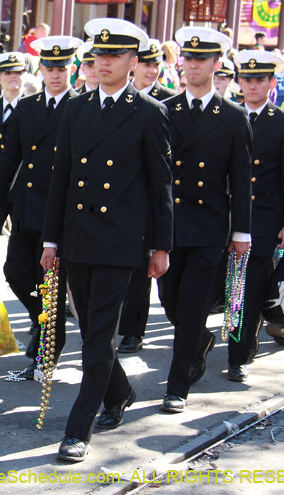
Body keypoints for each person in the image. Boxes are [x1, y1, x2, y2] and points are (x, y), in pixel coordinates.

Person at [40, 18, 173, 462]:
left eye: (114, 56)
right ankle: (118, 393)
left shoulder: (150, 113)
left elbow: (160, 187)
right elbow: (61, 178)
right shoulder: (76, 109)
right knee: (92, 329)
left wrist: (161, 245)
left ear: (133, 62)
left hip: (121, 242)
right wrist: (51, 239)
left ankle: (78, 429)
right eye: (99, 55)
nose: (104, 63)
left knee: (97, 336)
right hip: (78, 237)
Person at [157, 27, 252, 414]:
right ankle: (198, 341)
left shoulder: (232, 117)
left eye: (201, 59)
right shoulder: (166, 109)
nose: (193, 65)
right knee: (170, 303)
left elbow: (242, 179)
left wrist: (241, 231)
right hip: (169, 224)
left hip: (209, 226)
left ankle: (177, 387)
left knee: (193, 306)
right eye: (188, 59)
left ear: (216, 64)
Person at [0, 36, 81, 379]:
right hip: (27, 207)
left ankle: (47, 353)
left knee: (51, 287)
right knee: (15, 273)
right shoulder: (27, 107)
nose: (55, 74)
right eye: (49, 68)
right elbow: (9, 160)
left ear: (70, 69)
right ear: (40, 69)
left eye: (61, 68)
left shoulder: (80, 105)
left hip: (59, 213)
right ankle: (40, 320)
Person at [224, 50, 284, 379]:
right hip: (224, 214)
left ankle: (238, 356)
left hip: (264, 215)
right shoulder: (227, 115)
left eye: (260, 80)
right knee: (223, 286)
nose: (252, 85)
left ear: (272, 83)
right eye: (247, 79)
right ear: (239, 82)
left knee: (248, 286)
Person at [115, 38, 178, 355]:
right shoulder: (119, 101)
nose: (152, 70)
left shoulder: (168, 102)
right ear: (134, 65)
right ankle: (123, 326)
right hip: (121, 197)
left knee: (143, 272)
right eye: (147, 64)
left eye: (157, 64)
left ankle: (133, 330)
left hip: (152, 198)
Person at [0, 53, 27, 277]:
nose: (13, 77)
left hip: (23, 190)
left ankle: (47, 309)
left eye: (18, 72)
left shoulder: (33, 109)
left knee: (20, 265)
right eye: (7, 73)